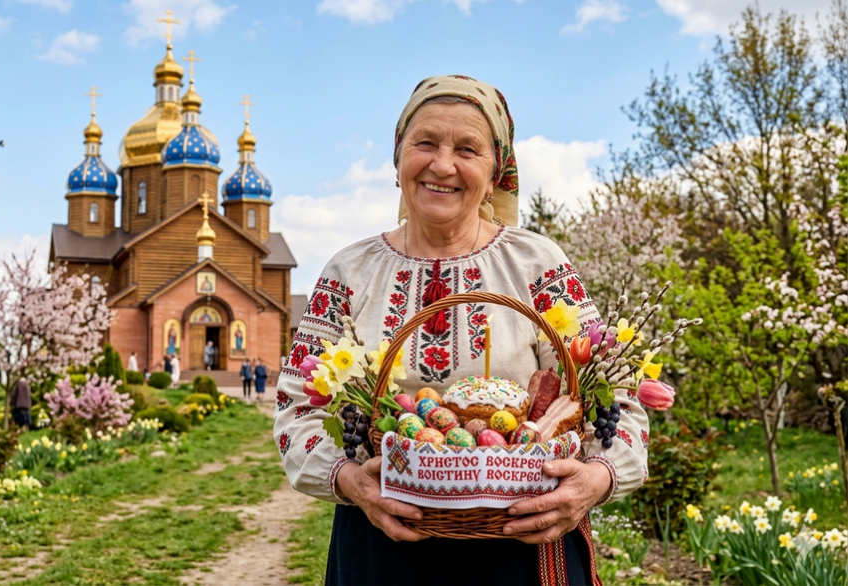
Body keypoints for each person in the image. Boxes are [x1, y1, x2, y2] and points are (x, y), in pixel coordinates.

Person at [272, 75, 649, 585]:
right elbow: (296, 405)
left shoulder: (536, 264)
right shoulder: (350, 272)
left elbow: (616, 393)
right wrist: (349, 481)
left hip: (521, 545)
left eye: (467, 149)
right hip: (382, 544)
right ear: (398, 158)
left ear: (496, 173)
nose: (443, 164)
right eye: (425, 142)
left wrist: (598, 479)